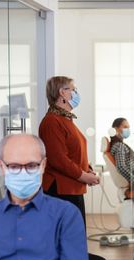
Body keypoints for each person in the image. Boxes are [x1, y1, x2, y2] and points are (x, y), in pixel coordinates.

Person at [39, 76, 100, 224]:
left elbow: (74, 153)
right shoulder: (52, 122)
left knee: (75, 238)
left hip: (72, 188)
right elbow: (58, 159)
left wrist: (87, 170)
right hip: (61, 191)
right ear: (62, 93)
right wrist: (83, 176)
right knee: (68, 240)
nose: (76, 93)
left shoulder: (65, 120)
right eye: (74, 89)